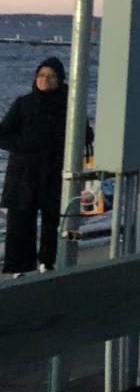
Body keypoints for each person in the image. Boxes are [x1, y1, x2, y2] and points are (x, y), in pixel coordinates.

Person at [0, 57, 89, 276]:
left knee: (53, 220)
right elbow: (3, 134)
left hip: (55, 172)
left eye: (50, 76)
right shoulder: (24, 103)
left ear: (60, 79)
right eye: (41, 75)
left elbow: (86, 134)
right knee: (21, 221)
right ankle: (19, 268)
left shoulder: (70, 104)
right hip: (24, 173)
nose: (45, 80)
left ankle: (48, 264)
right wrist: (23, 146)